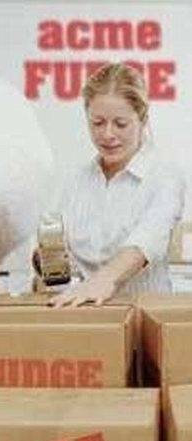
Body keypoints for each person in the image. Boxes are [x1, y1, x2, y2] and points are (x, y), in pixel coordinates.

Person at [34, 62, 185, 306]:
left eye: (120, 124)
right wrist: (46, 260)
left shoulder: (164, 177)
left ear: (142, 119)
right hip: (90, 315)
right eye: (98, 122)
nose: (107, 134)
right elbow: (55, 250)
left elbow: (146, 241)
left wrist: (103, 281)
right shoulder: (76, 181)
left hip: (146, 314)